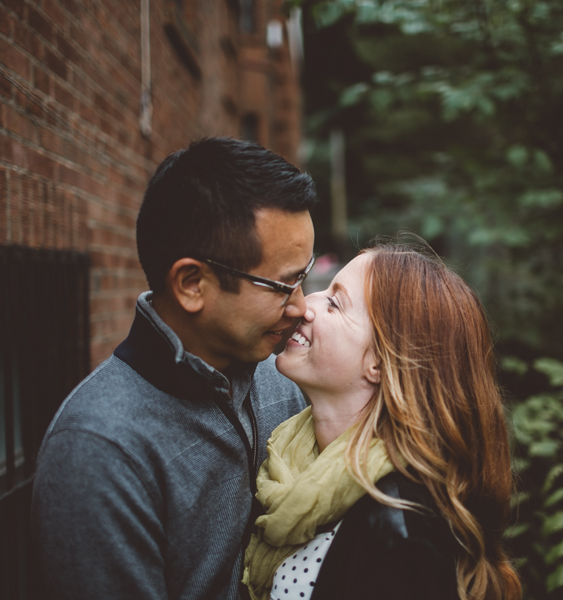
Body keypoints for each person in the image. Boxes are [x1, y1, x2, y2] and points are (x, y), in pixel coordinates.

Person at [32, 138, 316, 600]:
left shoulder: (283, 373)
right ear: (192, 284)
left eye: (303, 279)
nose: (301, 308)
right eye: (283, 285)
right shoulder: (100, 450)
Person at [243, 239, 522, 600]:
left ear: (380, 360)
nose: (304, 305)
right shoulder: (288, 459)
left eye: (334, 302)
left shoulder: (403, 532)